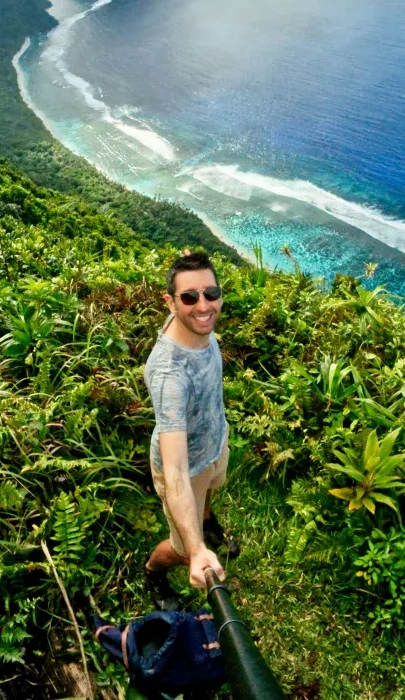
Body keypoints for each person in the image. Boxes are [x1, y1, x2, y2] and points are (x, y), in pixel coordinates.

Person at [143, 251, 238, 611]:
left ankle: (206, 518)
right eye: (189, 298)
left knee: (212, 488)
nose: (203, 306)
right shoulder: (170, 376)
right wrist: (196, 551)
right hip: (187, 465)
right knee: (181, 546)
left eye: (211, 294)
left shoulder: (197, 320)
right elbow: (177, 473)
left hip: (215, 439)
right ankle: (153, 571)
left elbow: (196, 289)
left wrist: (188, 261)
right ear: (169, 303)